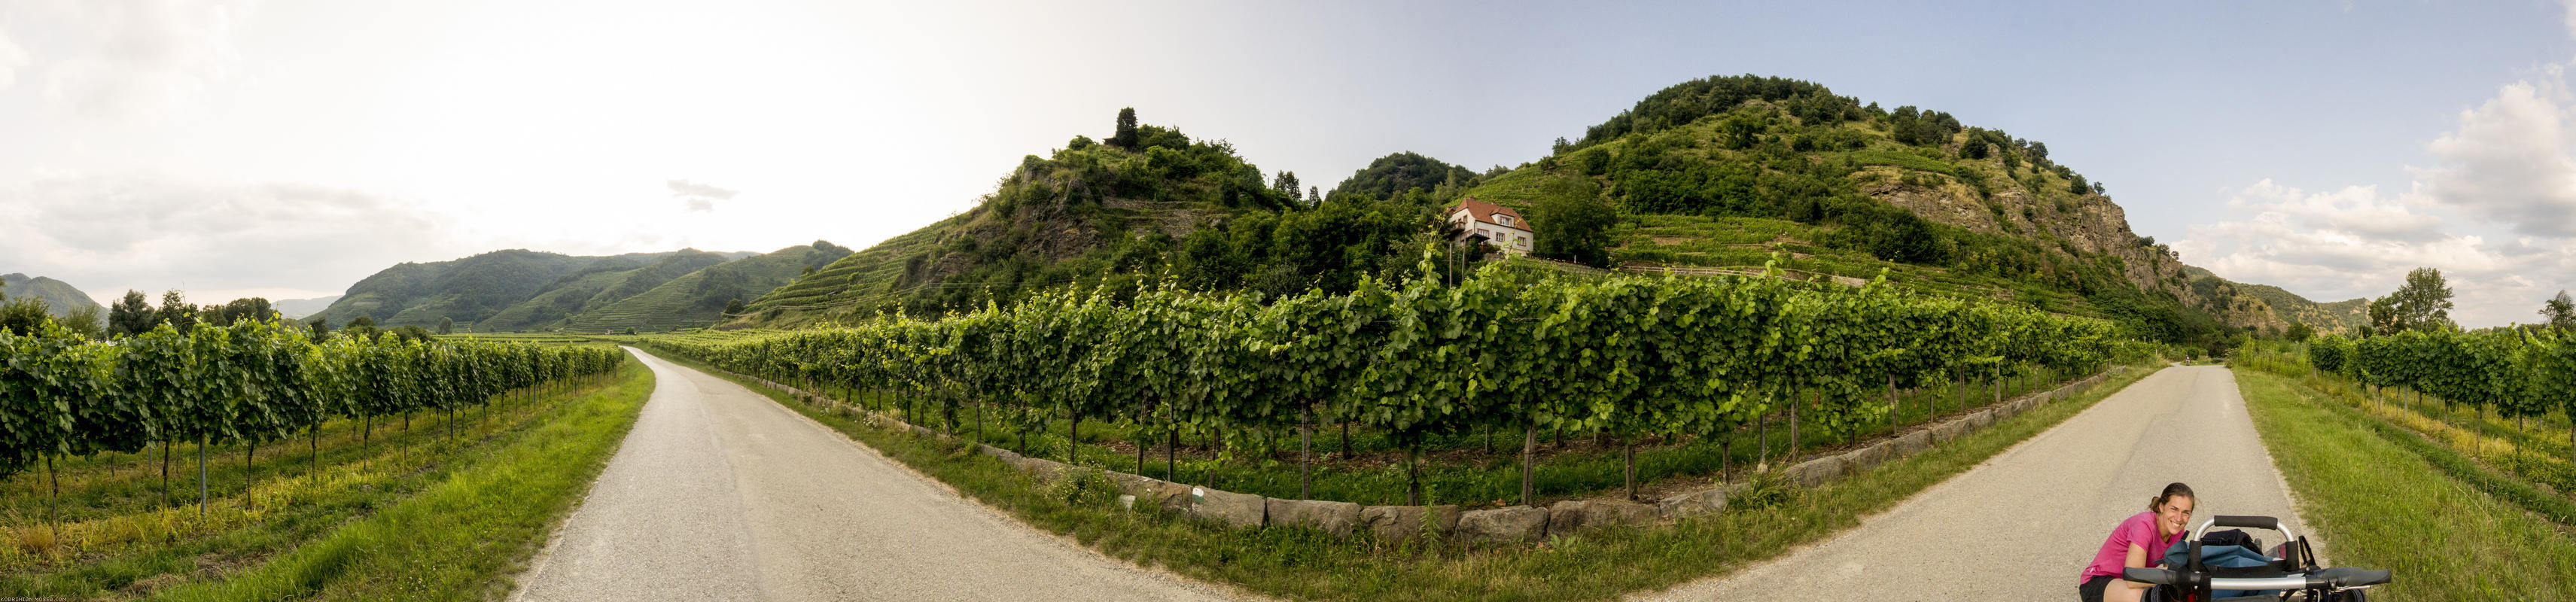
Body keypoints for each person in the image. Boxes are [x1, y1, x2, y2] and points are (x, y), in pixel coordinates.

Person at [2079, 482, 2196, 602]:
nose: (2179, 518)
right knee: (2145, 597)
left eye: (2185, 513)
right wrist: (2174, 574)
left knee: (2168, 593)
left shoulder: (2178, 533)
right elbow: (2133, 578)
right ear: (2161, 506)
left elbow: (2168, 568)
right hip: (2098, 581)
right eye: (2174, 509)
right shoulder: (2144, 524)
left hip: (2128, 584)